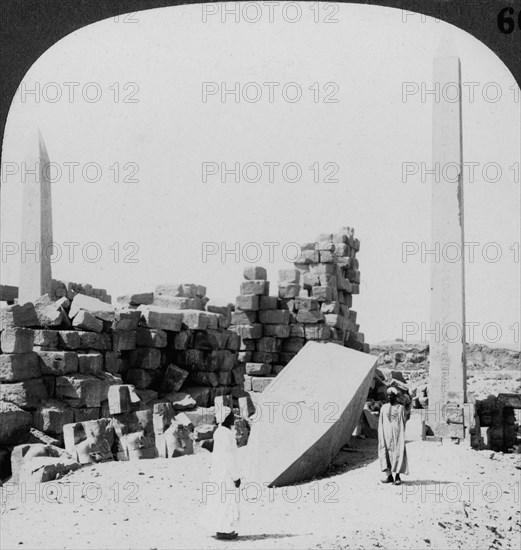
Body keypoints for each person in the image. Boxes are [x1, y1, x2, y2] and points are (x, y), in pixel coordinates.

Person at [209, 406, 241, 540]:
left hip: (218, 471)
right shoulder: (227, 433)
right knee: (226, 501)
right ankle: (223, 530)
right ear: (226, 418)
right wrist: (236, 476)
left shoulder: (219, 432)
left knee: (219, 500)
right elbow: (229, 456)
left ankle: (220, 528)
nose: (234, 418)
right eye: (231, 416)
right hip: (226, 472)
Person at [378, 387, 409, 485]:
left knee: (398, 452)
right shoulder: (384, 407)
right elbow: (381, 423)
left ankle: (397, 476)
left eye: (391, 395)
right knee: (386, 453)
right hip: (386, 435)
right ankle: (389, 475)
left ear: (395, 397)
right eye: (387, 395)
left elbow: (403, 421)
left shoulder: (400, 408)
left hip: (396, 435)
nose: (389, 397)